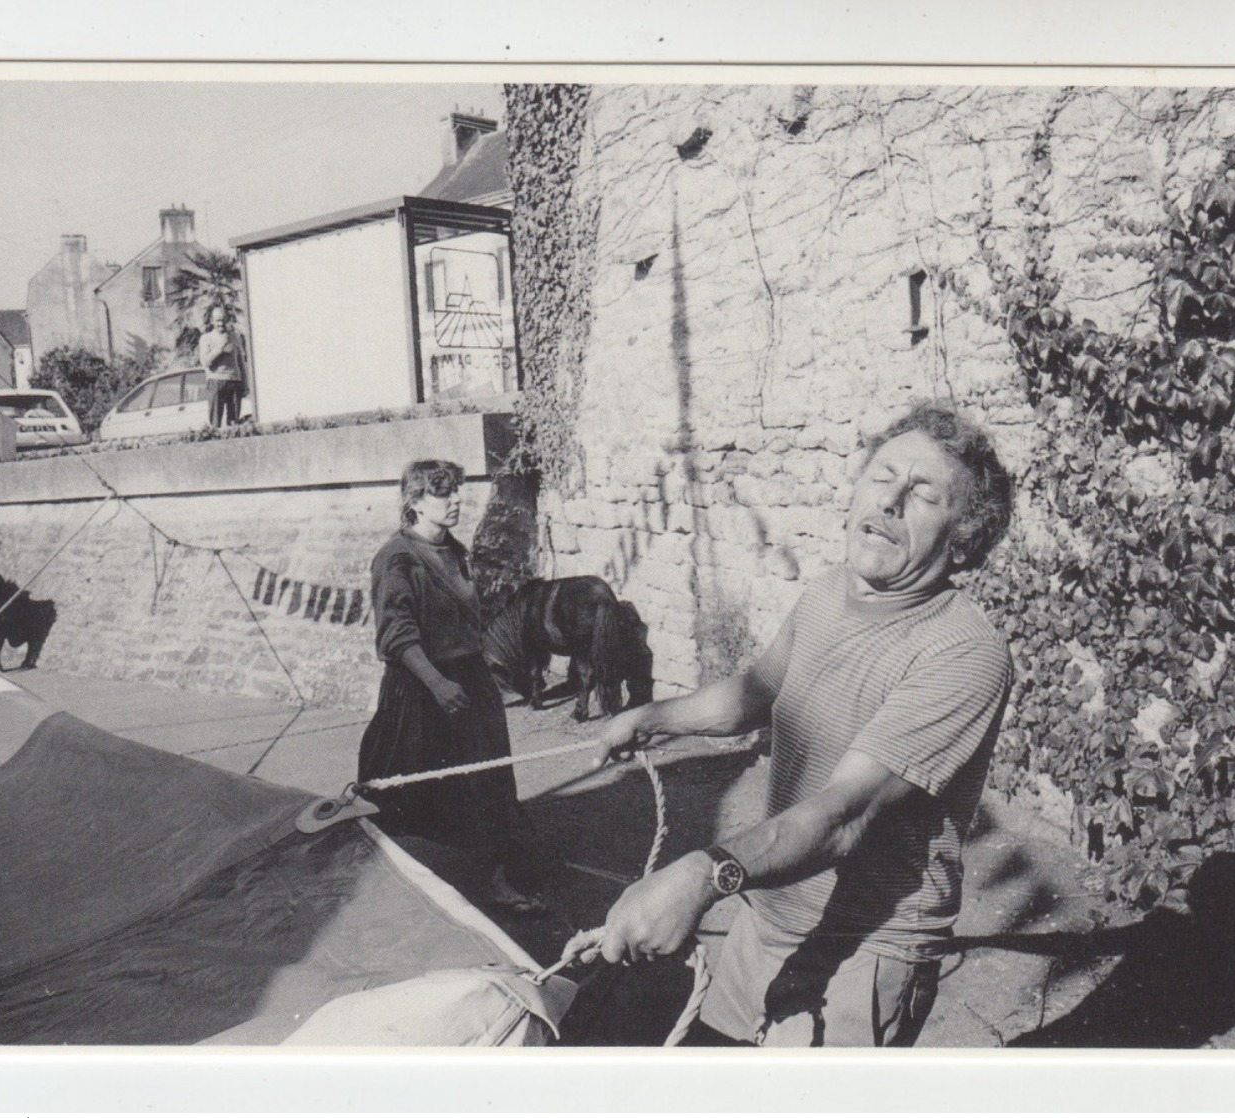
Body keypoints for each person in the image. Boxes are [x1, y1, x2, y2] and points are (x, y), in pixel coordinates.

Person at [592, 403, 1015, 1047]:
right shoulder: (827, 591)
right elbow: (753, 694)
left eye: (924, 494)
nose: (891, 502)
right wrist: (651, 718)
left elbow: (843, 816)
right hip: (767, 915)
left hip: (864, 951)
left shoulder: (963, 652)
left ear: (964, 538)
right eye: (882, 477)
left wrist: (702, 876)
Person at [356, 459, 547, 914]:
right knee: (411, 790)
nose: (458, 499)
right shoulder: (397, 558)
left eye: (458, 490)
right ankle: (404, 890)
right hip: (422, 686)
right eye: (444, 493)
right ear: (415, 502)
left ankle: (497, 883)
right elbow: (396, 635)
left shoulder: (454, 551)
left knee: (488, 784)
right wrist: (437, 684)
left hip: (469, 681)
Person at [198, 305, 245, 428]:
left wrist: (244, 383)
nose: (221, 323)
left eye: (223, 320)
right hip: (216, 381)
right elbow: (205, 362)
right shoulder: (206, 338)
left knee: (234, 423)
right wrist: (220, 349)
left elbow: (240, 362)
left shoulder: (235, 337)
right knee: (215, 423)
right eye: (218, 320)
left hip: (234, 381)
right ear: (212, 321)